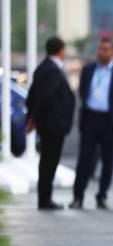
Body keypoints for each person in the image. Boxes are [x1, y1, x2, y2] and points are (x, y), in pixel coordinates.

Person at [69, 38, 113, 210]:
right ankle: (78, 197)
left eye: (105, 50)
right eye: (99, 49)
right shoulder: (88, 69)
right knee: (84, 159)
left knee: (108, 161)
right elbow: (83, 92)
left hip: (110, 121)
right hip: (91, 119)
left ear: (112, 52)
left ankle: (101, 196)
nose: (101, 53)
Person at [26, 36, 75, 210]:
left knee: (47, 161)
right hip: (52, 125)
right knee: (49, 162)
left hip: (49, 124)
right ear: (61, 50)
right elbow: (44, 97)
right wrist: (34, 119)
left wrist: (32, 117)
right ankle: (45, 199)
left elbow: (32, 95)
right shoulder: (52, 70)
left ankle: (45, 198)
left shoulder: (43, 68)